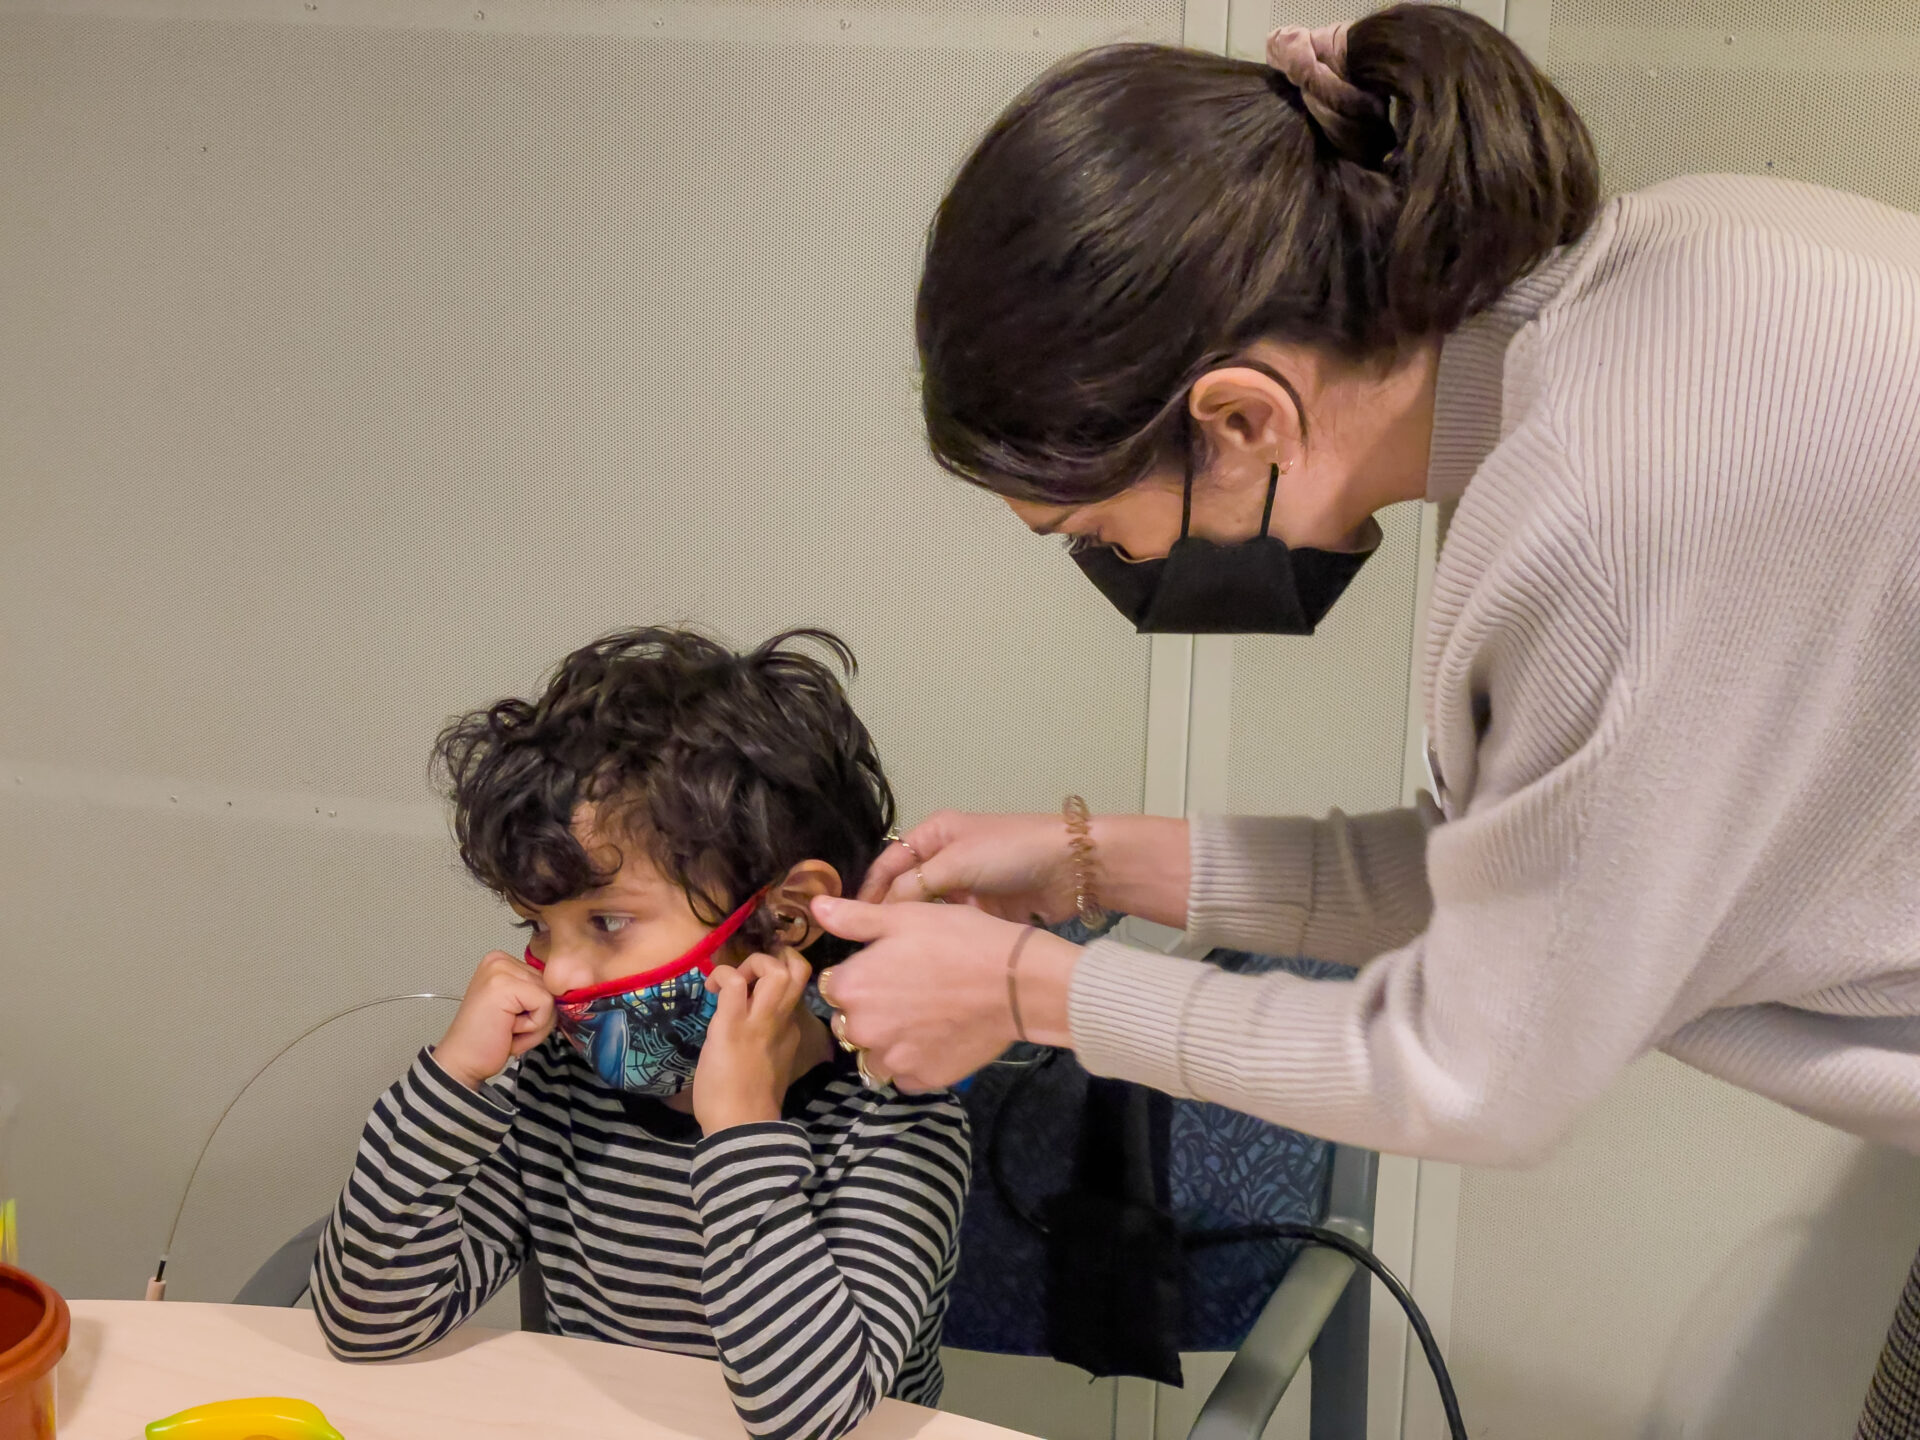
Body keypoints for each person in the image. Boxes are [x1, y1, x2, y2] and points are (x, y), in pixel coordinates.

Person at [808, 7, 1920, 1167]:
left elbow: (1470, 1074)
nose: (1123, 570)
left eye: (1095, 530)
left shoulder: (1609, 509)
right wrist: (1086, 860)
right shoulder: (1657, 289)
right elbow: (1511, 890)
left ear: (1242, 420)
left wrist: (1031, 992)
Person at [312, 627, 970, 1440]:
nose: (558, 976)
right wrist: (452, 1086)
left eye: (608, 921)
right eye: (539, 927)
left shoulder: (897, 1124)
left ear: (783, 916)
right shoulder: (560, 1087)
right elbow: (365, 1320)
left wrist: (741, 1133)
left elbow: (810, 1419)